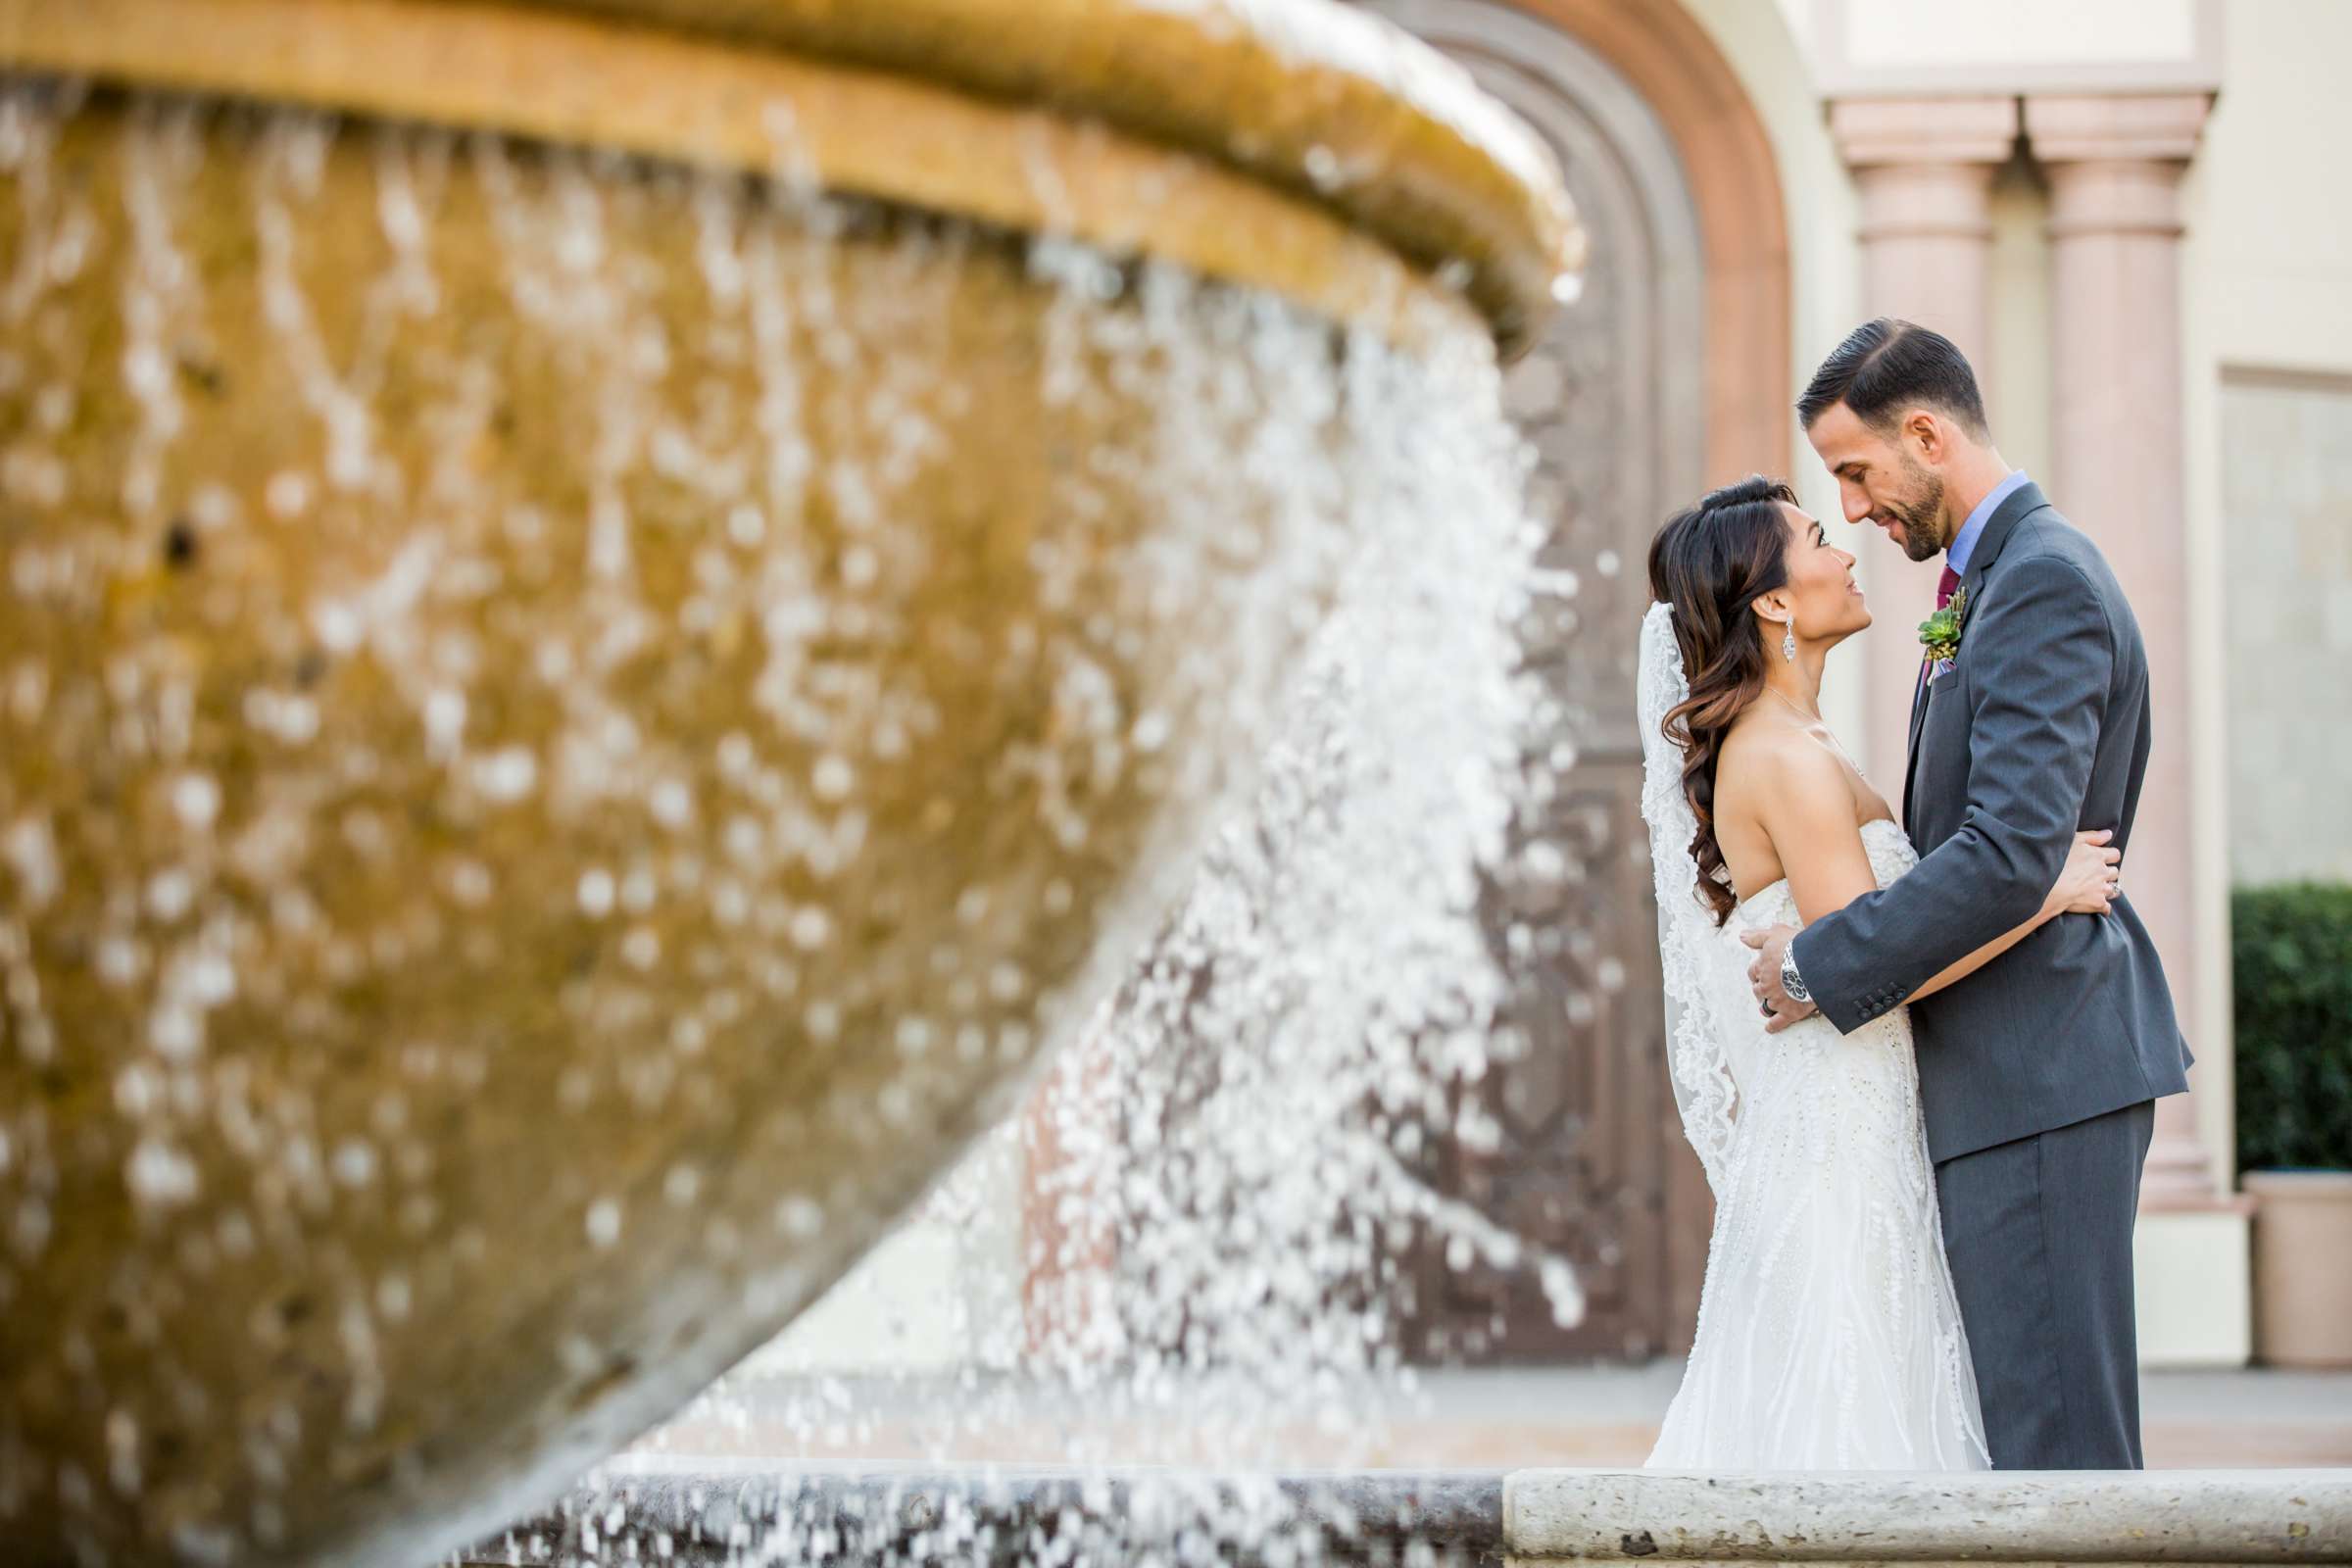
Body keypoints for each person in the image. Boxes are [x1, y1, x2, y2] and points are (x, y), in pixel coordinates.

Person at [1637, 471, 2121, 1469]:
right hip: (1837, 1152)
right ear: (1773, 599)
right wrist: (2043, 891)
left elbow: (1861, 945)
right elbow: (1882, 965)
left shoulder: (1801, 742)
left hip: (1864, 1126)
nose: (1845, 549)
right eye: (1817, 536)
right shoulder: (1785, 756)